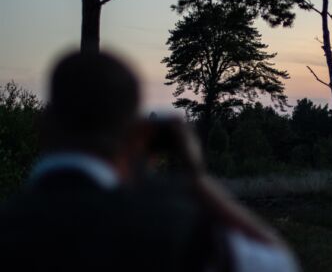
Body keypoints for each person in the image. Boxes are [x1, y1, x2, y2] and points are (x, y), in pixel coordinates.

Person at [0, 51, 298, 272]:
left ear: (41, 126)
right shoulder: (181, 232)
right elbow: (278, 263)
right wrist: (195, 178)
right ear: (137, 134)